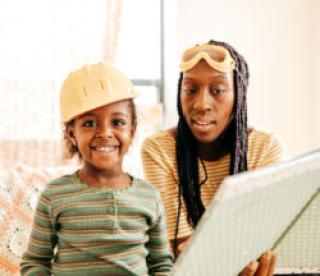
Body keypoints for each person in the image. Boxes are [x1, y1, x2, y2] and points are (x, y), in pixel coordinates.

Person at [141, 40, 284, 275]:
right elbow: (181, 244)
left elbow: (261, 239)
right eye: (190, 90)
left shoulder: (264, 147)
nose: (201, 104)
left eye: (217, 90)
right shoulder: (159, 149)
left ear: (239, 95)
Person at [20, 63, 173, 275]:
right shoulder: (54, 195)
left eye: (117, 122)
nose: (105, 133)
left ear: (132, 129)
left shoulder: (150, 197)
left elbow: (162, 265)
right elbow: (35, 262)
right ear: (71, 133)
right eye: (90, 123)